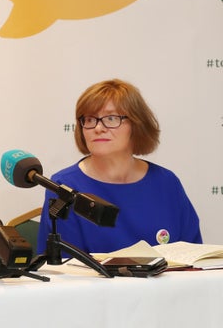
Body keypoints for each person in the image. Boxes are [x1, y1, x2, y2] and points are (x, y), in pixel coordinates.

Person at [37, 79, 202, 255]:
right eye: (90, 119)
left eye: (111, 118)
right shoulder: (64, 186)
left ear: (136, 125)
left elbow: (193, 257)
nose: (98, 128)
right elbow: (66, 270)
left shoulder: (166, 183)